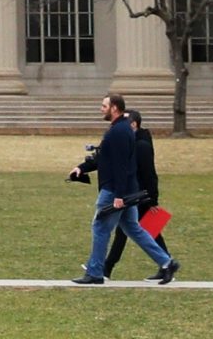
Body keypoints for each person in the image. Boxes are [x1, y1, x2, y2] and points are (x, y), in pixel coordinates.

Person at [67, 94, 177, 285]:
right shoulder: (122, 129)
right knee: (134, 229)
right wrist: (82, 168)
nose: (101, 109)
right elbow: (106, 157)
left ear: (115, 108)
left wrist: (119, 195)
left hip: (114, 191)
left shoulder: (117, 132)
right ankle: (167, 262)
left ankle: (95, 273)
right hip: (127, 190)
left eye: (104, 106)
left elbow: (121, 166)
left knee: (100, 227)